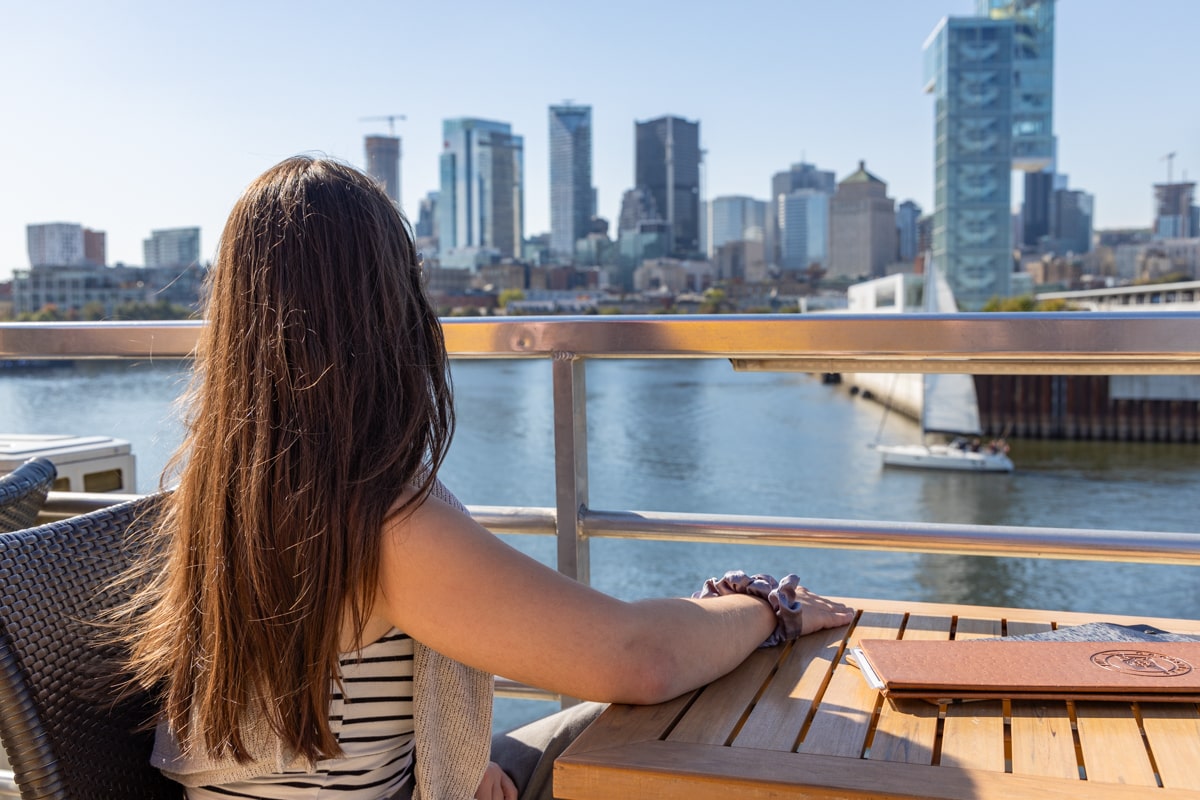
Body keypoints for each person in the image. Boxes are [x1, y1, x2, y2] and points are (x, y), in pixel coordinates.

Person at [119, 156, 854, 800]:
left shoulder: (217, 496)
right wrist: (766, 607)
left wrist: (450, 760)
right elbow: (639, 657)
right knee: (674, 728)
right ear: (385, 311)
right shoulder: (378, 527)